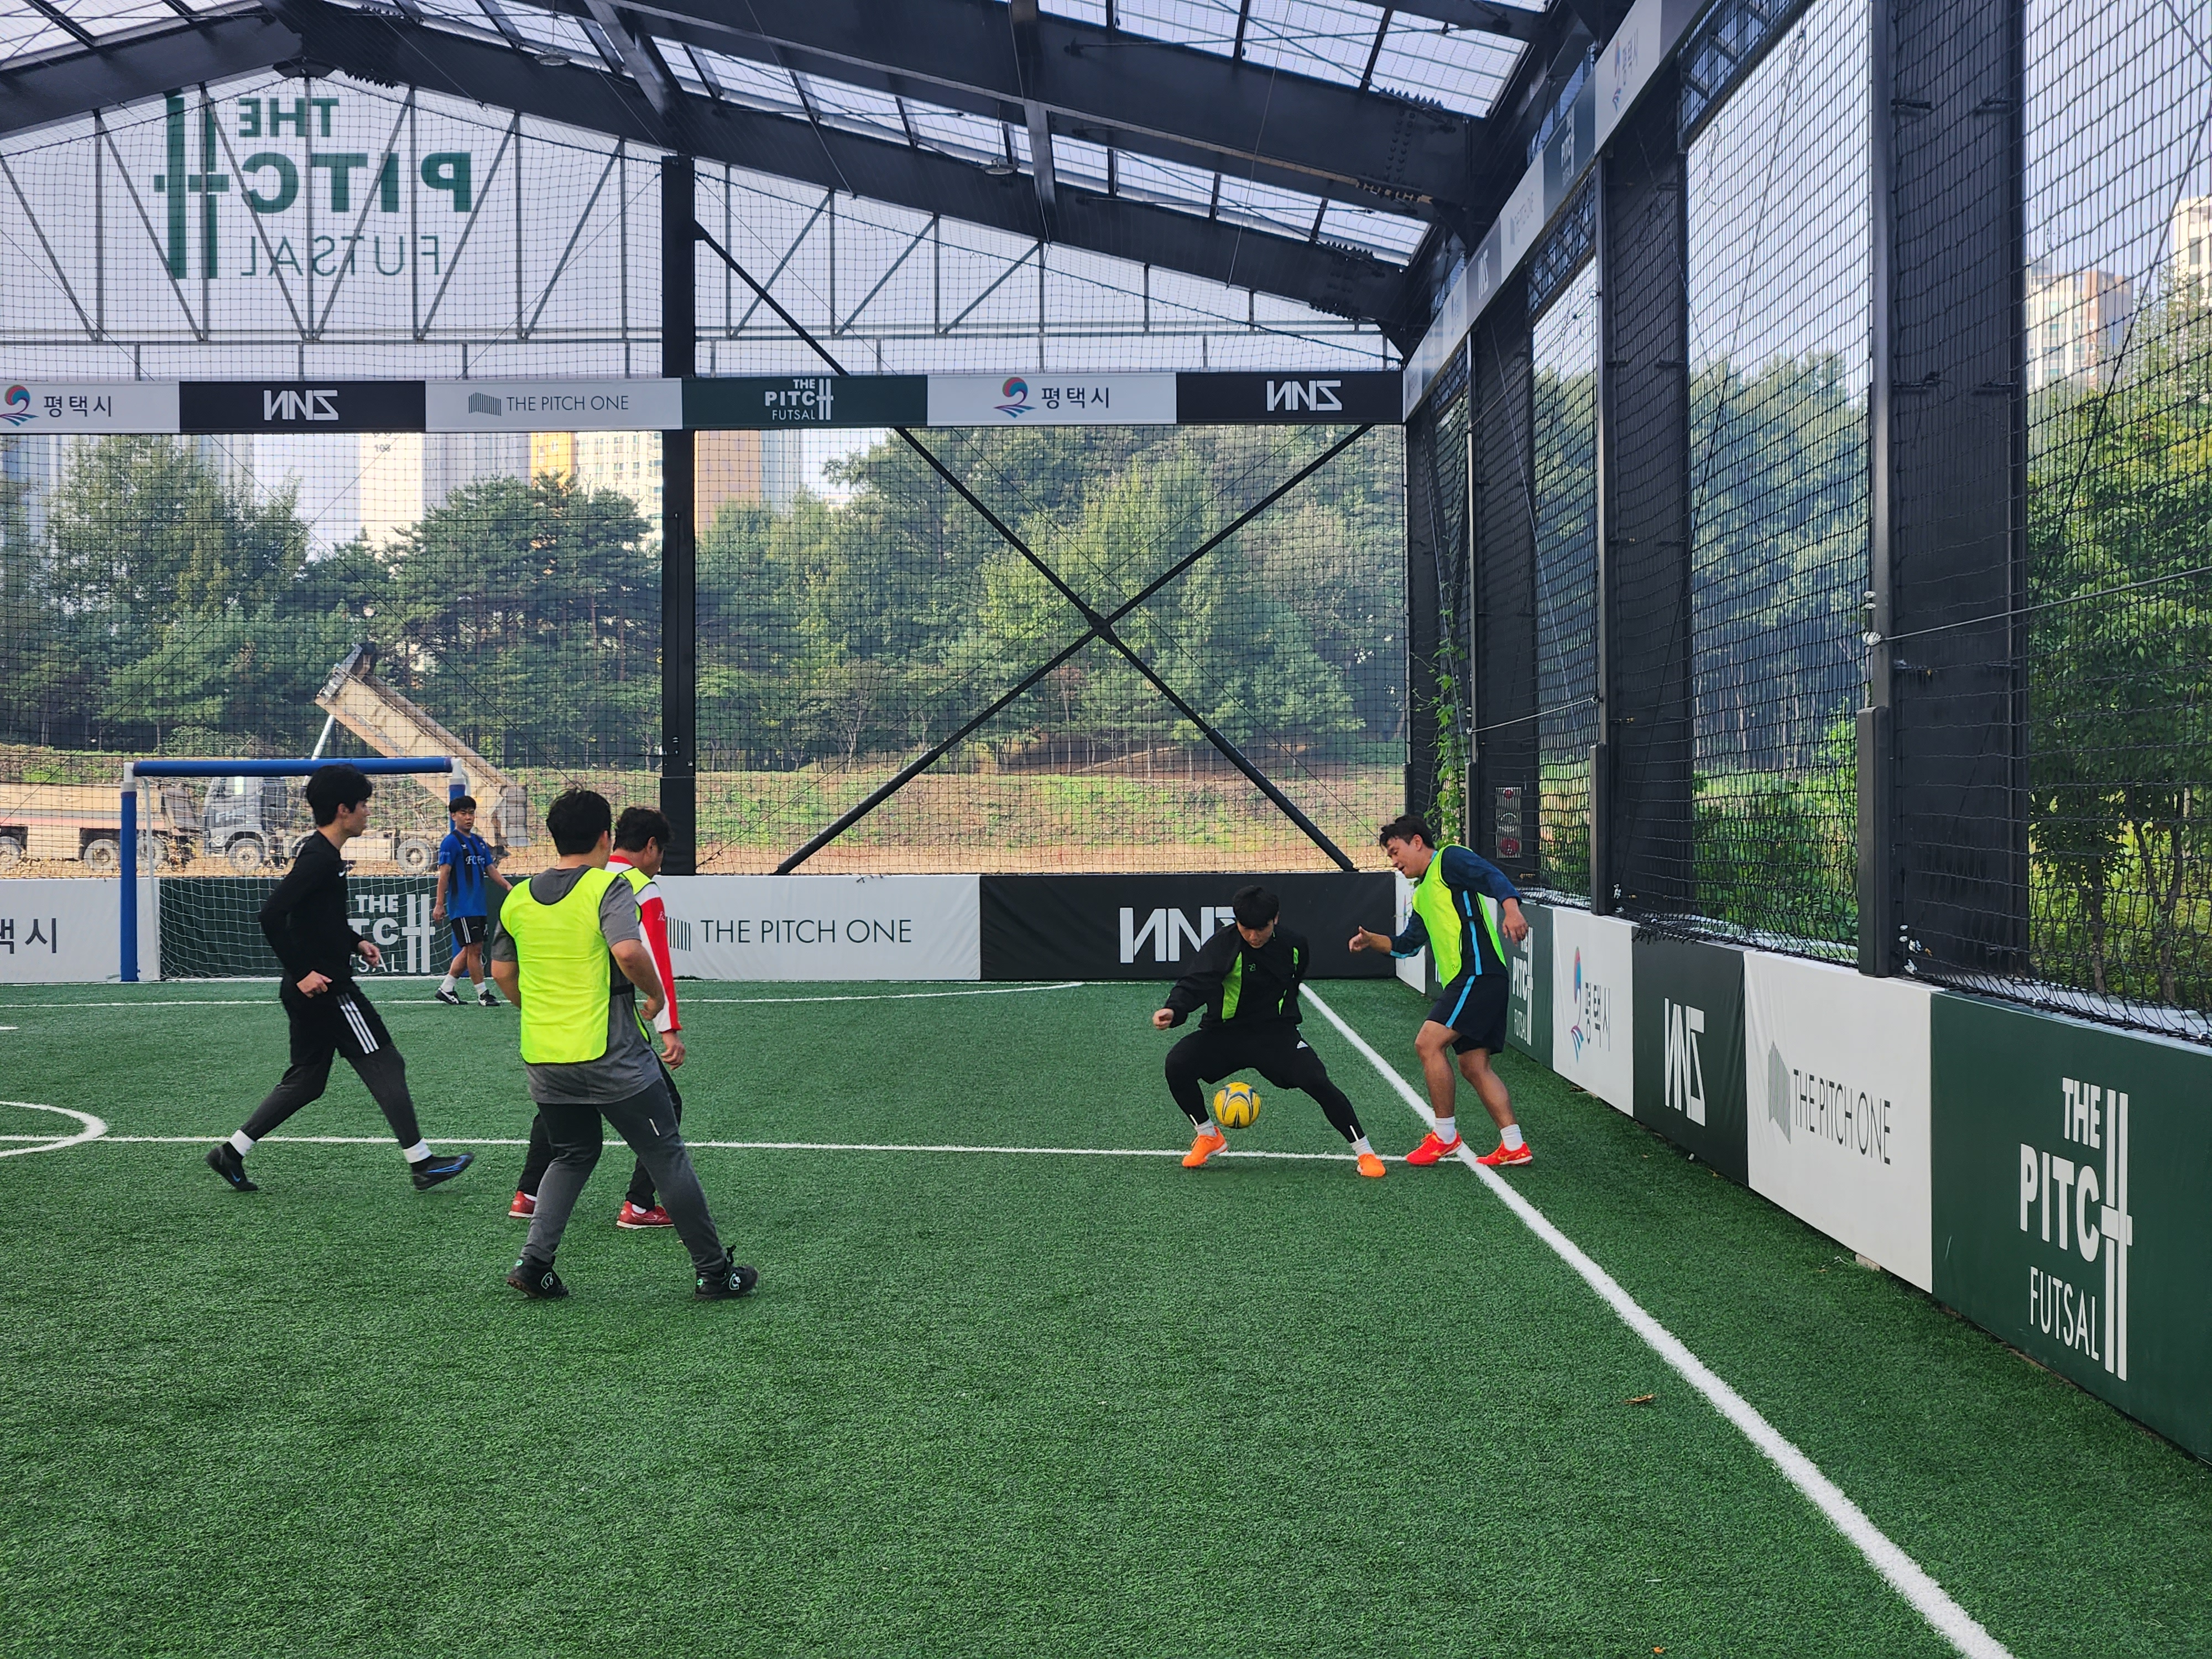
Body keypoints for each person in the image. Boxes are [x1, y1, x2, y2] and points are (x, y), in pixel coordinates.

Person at [489, 787, 754, 1301]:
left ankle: (534, 1263)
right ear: (605, 837)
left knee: (572, 1154)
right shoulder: (607, 886)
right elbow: (629, 952)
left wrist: (540, 1010)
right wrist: (655, 995)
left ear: (554, 836)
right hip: (611, 1055)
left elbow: (502, 973)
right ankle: (715, 1272)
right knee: (665, 1154)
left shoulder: (518, 897)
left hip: (544, 1056)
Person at [205, 763, 475, 1194]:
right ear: (343, 809)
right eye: (363, 804)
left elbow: (316, 919)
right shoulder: (318, 859)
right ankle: (423, 1164)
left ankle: (231, 1153)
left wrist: (356, 942)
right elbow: (272, 915)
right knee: (386, 1061)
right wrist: (303, 973)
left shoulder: (326, 856)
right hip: (328, 991)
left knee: (307, 1081)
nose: (368, 811)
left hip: (314, 989)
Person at [509, 805, 687, 1230]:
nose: (660, 864)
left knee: (560, 1108)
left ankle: (528, 1195)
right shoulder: (637, 888)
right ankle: (640, 1205)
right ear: (650, 847)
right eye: (662, 854)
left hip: (553, 1029)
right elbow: (649, 959)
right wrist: (668, 1025)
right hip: (611, 1029)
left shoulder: (559, 883)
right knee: (665, 1107)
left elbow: (508, 967)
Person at [1153, 884, 1386, 1178]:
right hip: (1225, 1033)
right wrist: (1174, 1010)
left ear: (1275, 919)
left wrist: (1284, 1019)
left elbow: (1294, 982)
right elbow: (1195, 982)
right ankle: (1208, 1135)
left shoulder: (1295, 945)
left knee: (1316, 1080)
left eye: (1260, 929)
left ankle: (1365, 1152)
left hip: (1275, 1035)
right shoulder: (1223, 945)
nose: (1253, 936)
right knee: (1177, 1063)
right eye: (1245, 928)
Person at [1350, 813, 1532, 1168]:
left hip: (1477, 973)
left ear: (1417, 842)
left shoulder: (1450, 858)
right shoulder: (1422, 894)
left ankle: (1445, 1136)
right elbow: (1406, 946)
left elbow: (1492, 876)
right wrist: (1373, 941)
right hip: (1476, 979)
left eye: (1395, 851)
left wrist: (1512, 910)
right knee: (1474, 1065)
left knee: (1427, 1043)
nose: (1394, 861)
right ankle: (1514, 1145)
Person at [432, 794, 510, 1007]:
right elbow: (444, 874)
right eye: (463, 813)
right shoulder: (451, 842)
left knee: (470, 949)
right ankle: (483, 994)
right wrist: (439, 904)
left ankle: (446, 989)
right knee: (474, 949)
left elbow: (490, 869)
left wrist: (507, 887)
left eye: (471, 813)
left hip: (478, 906)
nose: (468, 818)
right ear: (453, 816)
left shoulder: (478, 842)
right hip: (462, 907)